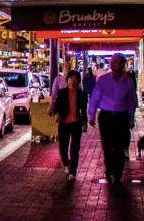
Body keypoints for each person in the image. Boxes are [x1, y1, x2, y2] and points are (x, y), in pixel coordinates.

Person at [88, 53, 138, 184]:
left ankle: (118, 173)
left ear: (122, 65)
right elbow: (94, 98)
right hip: (106, 116)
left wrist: (131, 120)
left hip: (121, 117)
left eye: (116, 62)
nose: (112, 63)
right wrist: (91, 115)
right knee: (107, 145)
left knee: (120, 146)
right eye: (112, 61)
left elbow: (132, 102)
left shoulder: (128, 82)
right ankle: (109, 169)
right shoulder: (103, 80)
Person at [48, 69, 88, 180]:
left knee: (75, 148)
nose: (73, 81)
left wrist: (85, 122)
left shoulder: (82, 95)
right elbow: (57, 106)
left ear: (78, 81)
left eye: (76, 78)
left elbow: (84, 111)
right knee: (63, 146)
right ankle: (65, 163)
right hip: (64, 123)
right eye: (71, 78)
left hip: (76, 123)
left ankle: (73, 172)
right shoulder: (62, 92)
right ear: (67, 80)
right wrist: (55, 112)